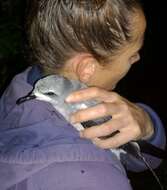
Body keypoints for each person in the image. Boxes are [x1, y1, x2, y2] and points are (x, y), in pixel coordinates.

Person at [0, 0, 166, 189]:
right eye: (132, 54)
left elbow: (138, 158)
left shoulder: (23, 85)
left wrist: (147, 126)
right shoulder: (96, 181)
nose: (138, 58)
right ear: (87, 68)